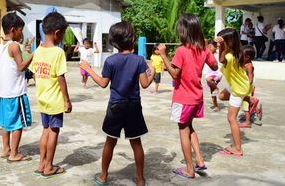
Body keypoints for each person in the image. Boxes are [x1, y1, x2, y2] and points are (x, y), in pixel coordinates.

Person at [80, 21, 155, 186]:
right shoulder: (139, 60)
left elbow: (102, 83)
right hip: (134, 106)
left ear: (114, 41)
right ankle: (140, 179)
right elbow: (145, 84)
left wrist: (88, 68)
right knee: (136, 143)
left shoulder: (111, 61)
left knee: (110, 142)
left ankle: (104, 176)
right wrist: (153, 72)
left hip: (116, 106)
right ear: (132, 39)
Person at [158, 13, 218, 179]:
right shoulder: (204, 49)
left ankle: (189, 169)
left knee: (183, 130)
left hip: (183, 98)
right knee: (190, 128)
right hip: (197, 97)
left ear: (183, 31)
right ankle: (199, 160)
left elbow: (175, 75)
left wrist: (163, 56)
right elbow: (214, 66)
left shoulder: (181, 51)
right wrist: (208, 49)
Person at [30, 12, 71, 178]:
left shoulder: (38, 50)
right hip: (54, 101)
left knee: (45, 130)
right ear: (57, 32)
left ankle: (41, 164)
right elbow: (61, 77)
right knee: (54, 131)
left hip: (42, 99)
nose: (62, 38)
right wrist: (67, 101)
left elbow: (34, 74)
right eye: (62, 34)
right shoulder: (58, 52)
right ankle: (48, 167)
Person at [0, 13, 34, 161]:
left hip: (5, 92)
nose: (22, 33)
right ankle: (14, 154)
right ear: (13, 30)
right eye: (20, 30)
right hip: (16, 92)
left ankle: (6, 149)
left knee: (6, 122)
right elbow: (21, 67)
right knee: (17, 123)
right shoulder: (14, 46)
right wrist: (33, 55)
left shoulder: (2, 45)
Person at [215, 28, 250, 157]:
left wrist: (220, 46)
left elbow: (221, 60)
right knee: (222, 96)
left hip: (238, 89)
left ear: (228, 42)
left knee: (231, 118)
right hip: (236, 84)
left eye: (222, 42)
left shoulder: (229, 56)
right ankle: (250, 99)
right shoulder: (236, 52)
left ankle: (237, 148)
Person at [239, 45, 262, 128]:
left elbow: (250, 79)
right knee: (247, 102)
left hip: (247, 87)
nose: (240, 57)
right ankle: (256, 109)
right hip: (246, 86)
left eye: (242, 56)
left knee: (245, 103)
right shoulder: (245, 64)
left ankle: (247, 122)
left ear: (248, 57)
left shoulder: (249, 66)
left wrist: (244, 87)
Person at [205, 39, 223, 112]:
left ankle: (216, 88)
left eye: (210, 47)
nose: (209, 49)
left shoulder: (218, 55)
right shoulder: (208, 56)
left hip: (217, 74)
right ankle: (216, 107)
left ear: (215, 47)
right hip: (210, 74)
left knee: (208, 79)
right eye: (208, 47)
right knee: (212, 92)